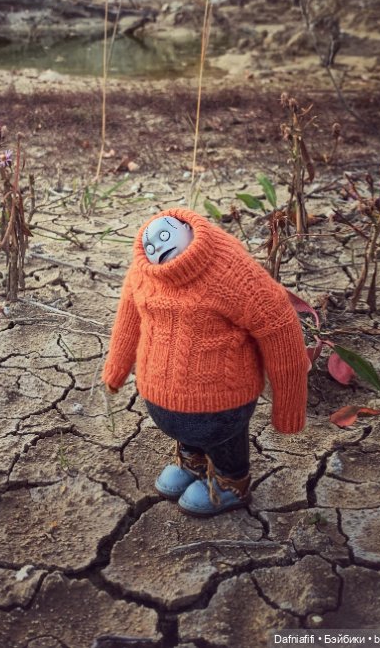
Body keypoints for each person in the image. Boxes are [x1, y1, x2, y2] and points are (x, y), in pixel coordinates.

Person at [101, 207, 309, 517]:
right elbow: (128, 319)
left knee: (225, 443)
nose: (158, 247)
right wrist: (116, 368)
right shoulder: (142, 273)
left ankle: (231, 482)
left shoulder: (229, 271)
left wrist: (289, 405)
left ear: (186, 229)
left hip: (224, 403)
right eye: (152, 244)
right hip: (162, 396)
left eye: (165, 235)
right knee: (190, 434)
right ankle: (193, 460)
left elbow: (278, 325)